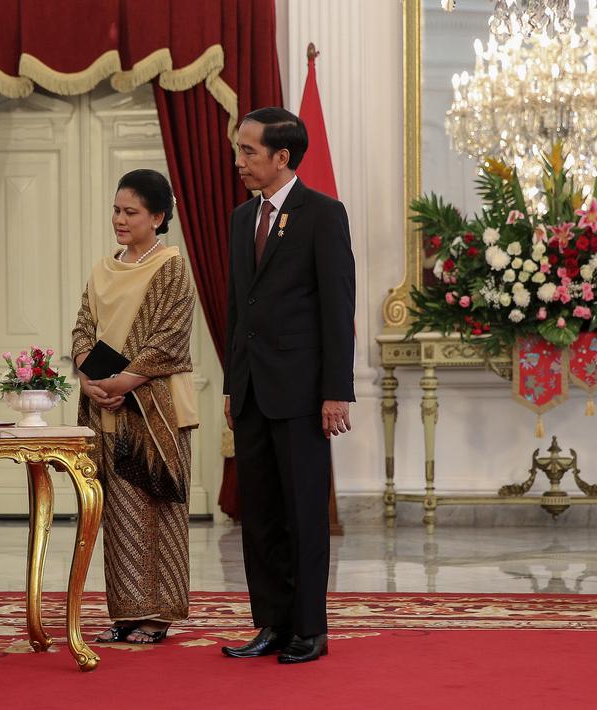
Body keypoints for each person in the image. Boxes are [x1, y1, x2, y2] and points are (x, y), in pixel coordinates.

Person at [220, 107, 355, 664]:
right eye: (240, 149)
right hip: (251, 389)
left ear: (282, 157)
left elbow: (336, 306)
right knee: (261, 516)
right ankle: (270, 624)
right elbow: (237, 309)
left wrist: (336, 390)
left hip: (301, 392)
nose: (240, 161)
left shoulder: (323, 214)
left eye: (250, 152)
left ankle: (309, 630)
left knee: (302, 513)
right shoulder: (239, 218)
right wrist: (231, 383)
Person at [71, 168, 198, 645]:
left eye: (131, 212)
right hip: (108, 406)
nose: (120, 220)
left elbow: (168, 336)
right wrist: (89, 378)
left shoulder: (171, 265)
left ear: (158, 217)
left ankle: (157, 616)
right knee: (120, 514)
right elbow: (83, 328)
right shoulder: (104, 267)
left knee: (156, 510)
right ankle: (125, 614)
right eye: (116, 211)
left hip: (156, 408)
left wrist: (122, 381)